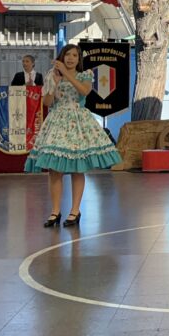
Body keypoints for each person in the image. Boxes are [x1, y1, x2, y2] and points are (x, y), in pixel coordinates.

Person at [26, 44, 121, 227]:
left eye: (75, 56)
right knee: (54, 169)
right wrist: (54, 83)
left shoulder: (85, 75)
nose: (70, 58)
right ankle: (55, 211)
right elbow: (47, 102)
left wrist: (66, 74)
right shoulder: (51, 75)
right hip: (57, 120)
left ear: (79, 59)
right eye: (67, 55)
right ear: (62, 56)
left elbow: (84, 91)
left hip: (78, 121)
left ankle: (75, 211)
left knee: (78, 167)